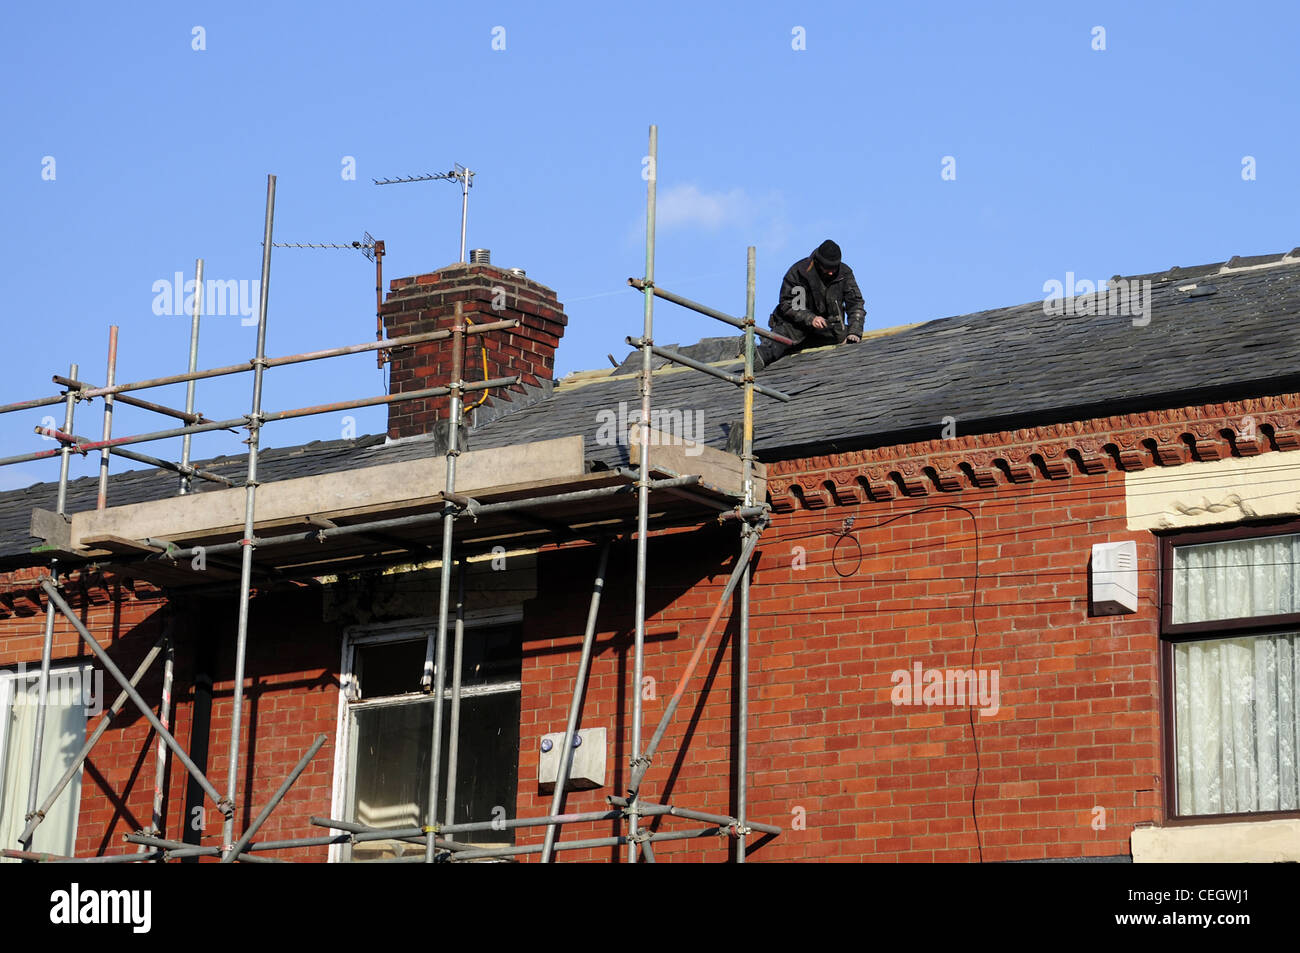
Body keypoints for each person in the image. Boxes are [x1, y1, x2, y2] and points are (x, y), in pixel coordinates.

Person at [753, 240, 865, 369]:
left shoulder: (844, 274)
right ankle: (754, 356)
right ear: (818, 262)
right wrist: (811, 318)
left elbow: (856, 304)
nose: (831, 272)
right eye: (827, 268)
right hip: (793, 327)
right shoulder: (799, 272)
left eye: (834, 268)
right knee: (774, 346)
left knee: (845, 336)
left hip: (825, 329)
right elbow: (788, 304)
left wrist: (854, 331)